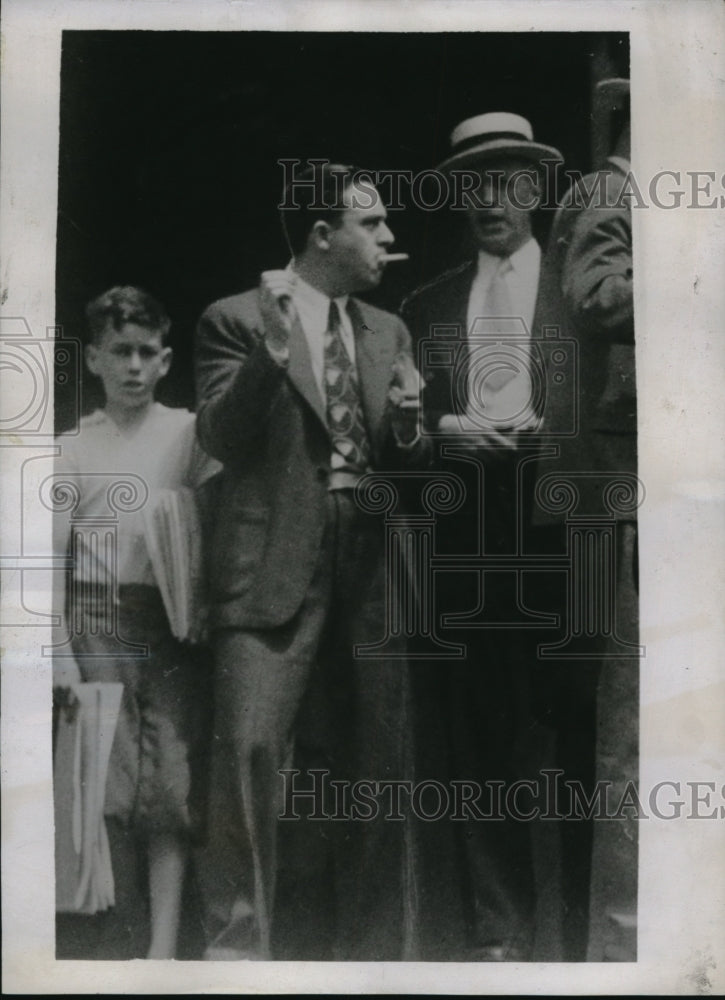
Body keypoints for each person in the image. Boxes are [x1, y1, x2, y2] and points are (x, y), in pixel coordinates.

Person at [194, 163, 429, 960]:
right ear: (323, 235)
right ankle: (235, 957)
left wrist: (406, 424)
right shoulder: (232, 317)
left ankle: (374, 962)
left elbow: (408, 461)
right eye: (373, 225)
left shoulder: (387, 330)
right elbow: (221, 438)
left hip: (369, 561)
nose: (389, 239)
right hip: (270, 564)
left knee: (380, 765)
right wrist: (270, 347)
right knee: (248, 755)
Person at [401, 112, 564, 960]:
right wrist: (442, 433)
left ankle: (575, 941)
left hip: (567, 551)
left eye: (504, 182)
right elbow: (398, 434)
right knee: (482, 749)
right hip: (466, 556)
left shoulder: (581, 287)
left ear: (533, 189)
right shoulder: (424, 303)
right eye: (471, 185)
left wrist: (550, 430)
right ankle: (499, 937)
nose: (487, 200)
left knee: (571, 741)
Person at [52, 286, 219, 959]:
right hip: (96, 613)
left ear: (165, 359)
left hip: (172, 618)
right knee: (112, 782)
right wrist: (60, 651)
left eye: (146, 352)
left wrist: (201, 602)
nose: (132, 366)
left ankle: (162, 950)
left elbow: (211, 524)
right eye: (118, 351)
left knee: (170, 786)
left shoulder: (187, 431)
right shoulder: (71, 449)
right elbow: (47, 559)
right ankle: (116, 948)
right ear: (93, 357)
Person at [533, 81, 638, 961]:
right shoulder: (610, 190)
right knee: (629, 741)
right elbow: (595, 297)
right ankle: (620, 951)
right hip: (622, 495)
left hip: (650, 489)